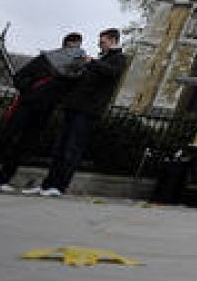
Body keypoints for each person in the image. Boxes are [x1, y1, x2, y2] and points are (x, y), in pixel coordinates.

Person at [0, 33, 86, 193]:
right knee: (2, 140)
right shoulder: (45, 59)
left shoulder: (75, 71)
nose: (77, 49)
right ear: (66, 44)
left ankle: (1, 181)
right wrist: (30, 92)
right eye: (75, 44)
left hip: (45, 111)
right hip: (26, 106)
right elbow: (19, 77)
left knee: (23, 147)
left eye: (79, 45)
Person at [28, 28, 127, 197]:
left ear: (112, 41)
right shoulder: (102, 59)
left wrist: (91, 61)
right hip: (74, 106)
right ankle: (47, 184)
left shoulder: (119, 59)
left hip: (88, 111)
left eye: (102, 42)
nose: (99, 45)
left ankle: (59, 187)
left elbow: (111, 72)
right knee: (60, 148)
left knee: (72, 149)